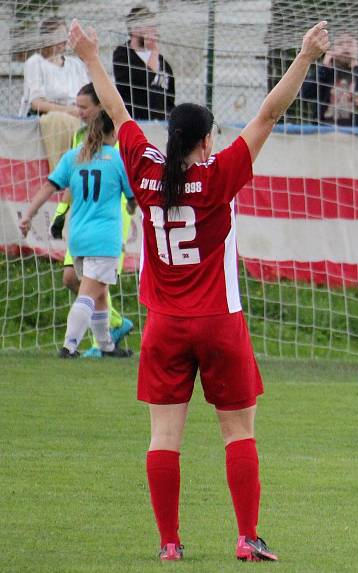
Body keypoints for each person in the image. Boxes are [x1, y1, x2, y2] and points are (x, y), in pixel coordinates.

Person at [69, 17, 329, 561]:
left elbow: (116, 111)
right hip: (219, 321)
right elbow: (268, 112)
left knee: (164, 437)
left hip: (164, 323)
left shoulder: (142, 166)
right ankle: (246, 536)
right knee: (238, 431)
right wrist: (305, 56)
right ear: (207, 140)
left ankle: (169, 543)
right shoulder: (217, 175)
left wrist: (92, 56)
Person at [19, 92, 135, 360]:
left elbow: (50, 186)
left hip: (78, 236)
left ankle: (106, 344)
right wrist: (133, 208)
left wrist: (29, 215)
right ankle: (69, 345)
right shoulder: (118, 160)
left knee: (100, 292)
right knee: (88, 292)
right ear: (113, 132)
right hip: (105, 238)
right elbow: (133, 199)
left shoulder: (74, 156)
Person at [49, 83, 137, 356]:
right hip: (84, 223)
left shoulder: (120, 141)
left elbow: (129, 190)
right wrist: (61, 215)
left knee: (89, 284)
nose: (79, 112)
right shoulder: (81, 138)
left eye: (84, 107)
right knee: (76, 280)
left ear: (101, 107)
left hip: (109, 223)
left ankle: (84, 341)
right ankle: (109, 337)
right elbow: (74, 182)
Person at [19, 16, 89, 170]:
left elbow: (88, 95)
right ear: (46, 38)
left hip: (78, 114)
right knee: (59, 121)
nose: (63, 41)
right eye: (58, 37)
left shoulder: (75, 65)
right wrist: (70, 111)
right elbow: (37, 103)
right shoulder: (35, 63)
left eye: (65, 36)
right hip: (46, 117)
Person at [300, 31, 358, 127]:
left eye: (350, 43)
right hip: (324, 136)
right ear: (332, 49)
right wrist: (324, 68)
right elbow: (303, 94)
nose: (345, 47)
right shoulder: (326, 72)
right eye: (340, 43)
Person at [112, 5, 175, 120]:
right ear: (134, 28)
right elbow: (144, 81)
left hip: (160, 125)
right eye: (148, 25)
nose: (153, 30)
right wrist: (153, 50)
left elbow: (170, 99)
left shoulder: (163, 64)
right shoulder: (122, 55)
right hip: (135, 121)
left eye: (154, 25)